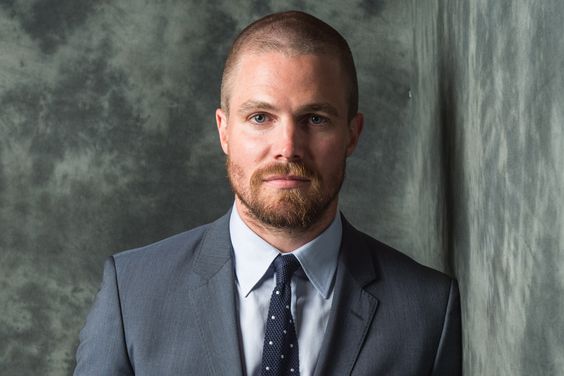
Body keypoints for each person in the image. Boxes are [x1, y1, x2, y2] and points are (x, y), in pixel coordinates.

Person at [74, 10, 461, 376]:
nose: (288, 146)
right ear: (224, 131)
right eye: (260, 117)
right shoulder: (133, 291)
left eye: (315, 119)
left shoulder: (428, 310)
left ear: (352, 134)